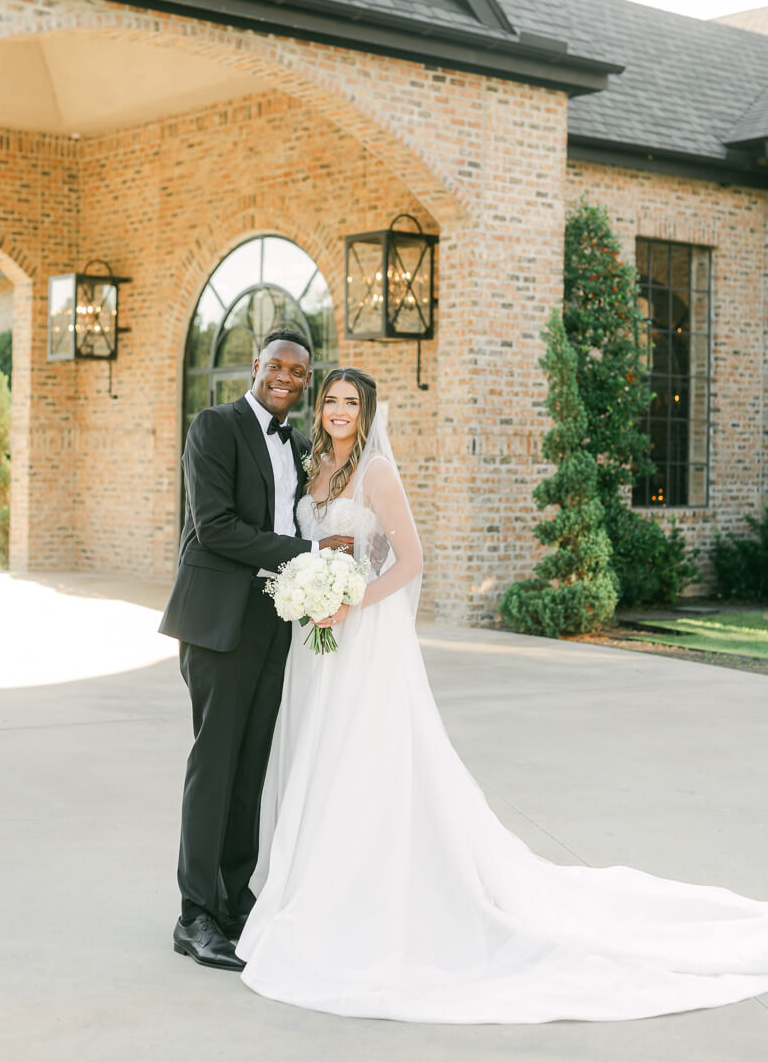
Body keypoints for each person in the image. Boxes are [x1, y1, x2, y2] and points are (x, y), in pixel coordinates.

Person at [236, 366, 768, 1023]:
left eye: (351, 402)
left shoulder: (376, 472)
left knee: (363, 757)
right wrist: (315, 590)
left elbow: (411, 559)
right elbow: (315, 542)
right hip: (318, 643)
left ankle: (365, 892)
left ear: (367, 413)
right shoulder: (316, 465)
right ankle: (310, 886)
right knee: (320, 755)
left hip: (363, 637)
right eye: (332, 401)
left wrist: (350, 601)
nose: (339, 411)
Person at [159, 330, 352, 970]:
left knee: (250, 766)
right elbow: (214, 528)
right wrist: (308, 554)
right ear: (256, 367)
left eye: (299, 373)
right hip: (217, 621)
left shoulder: (298, 446)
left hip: (274, 620)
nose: (287, 379)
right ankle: (194, 916)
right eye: (277, 367)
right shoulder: (212, 427)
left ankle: (235, 896)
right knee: (214, 763)